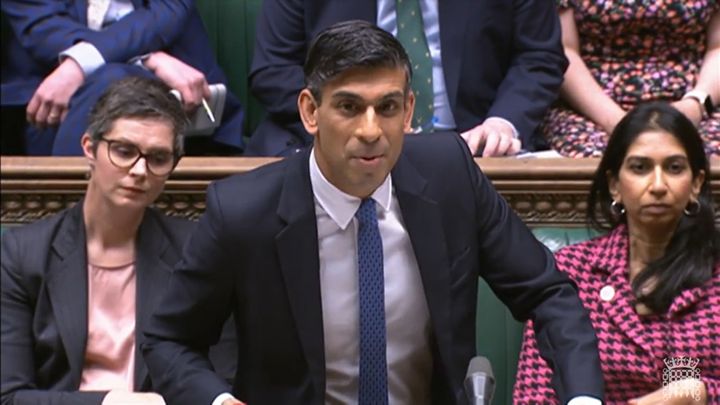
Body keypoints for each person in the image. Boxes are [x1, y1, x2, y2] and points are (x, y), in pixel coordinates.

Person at [142, 20, 603, 405]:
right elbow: (169, 340)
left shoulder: (451, 178)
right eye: (348, 106)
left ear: (408, 112)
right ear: (310, 111)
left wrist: (583, 399)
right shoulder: (244, 210)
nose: (370, 130)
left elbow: (547, 294)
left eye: (387, 108)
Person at [0, 76, 236, 405]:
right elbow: (9, 397)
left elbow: (221, 382)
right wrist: (112, 402)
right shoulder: (23, 253)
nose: (139, 170)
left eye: (157, 158)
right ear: (89, 148)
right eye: (124, 151)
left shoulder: (195, 250)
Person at [514, 102, 720, 404]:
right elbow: (534, 397)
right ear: (614, 184)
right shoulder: (570, 273)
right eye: (640, 168)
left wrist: (698, 393)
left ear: (696, 183)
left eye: (674, 168)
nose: (658, 185)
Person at [245, 0, 567, 157]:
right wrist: (349, 116)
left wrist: (502, 123)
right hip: (342, 144)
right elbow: (273, 69)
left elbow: (538, 57)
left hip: (472, 145)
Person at [0, 0, 245, 156]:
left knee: (114, 82)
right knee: (113, 81)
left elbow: (168, 12)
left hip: (178, 105)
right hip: (50, 107)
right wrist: (147, 59)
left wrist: (79, 66)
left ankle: (69, 222)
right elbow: (44, 29)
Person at [543, 0, 720, 157]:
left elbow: (717, 48)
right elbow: (564, 51)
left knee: (704, 158)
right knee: (603, 163)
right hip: (593, 108)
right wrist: (617, 121)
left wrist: (696, 105)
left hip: (696, 101)